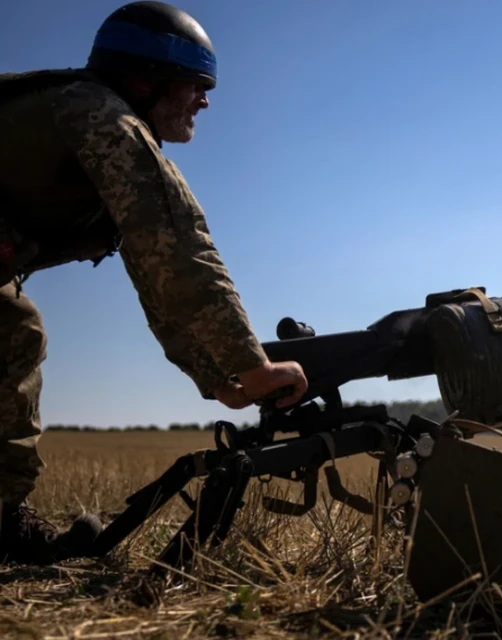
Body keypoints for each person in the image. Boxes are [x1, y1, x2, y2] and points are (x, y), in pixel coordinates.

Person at [0, 1, 309, 565]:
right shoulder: (102, 117)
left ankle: (0, 519)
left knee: (15, 329)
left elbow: (153, 267)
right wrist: (251, 364)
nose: (205, 101)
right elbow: (178, 246)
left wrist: (214, 373)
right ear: (149, 80)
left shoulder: (91, 119)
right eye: (196, 84)